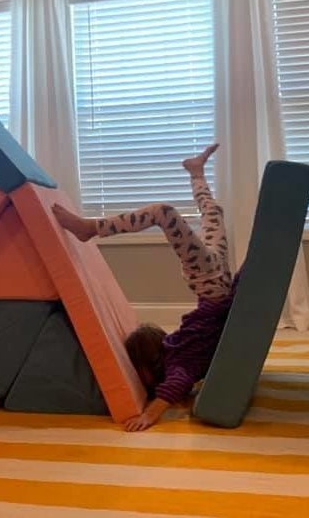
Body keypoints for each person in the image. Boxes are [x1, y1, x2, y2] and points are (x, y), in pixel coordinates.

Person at [52, 144, 241, 431]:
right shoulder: (181, 361)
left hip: (214, 288)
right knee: (167, 212)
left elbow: (175, 380)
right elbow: (174, 386)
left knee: (210, 215)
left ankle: (196, 173)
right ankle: (91, 228)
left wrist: (150, 412)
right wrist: (151, 414)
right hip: (214, 288)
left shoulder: (177, 353)